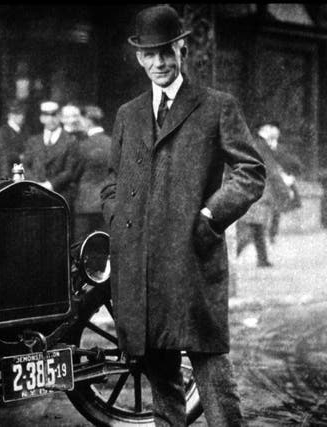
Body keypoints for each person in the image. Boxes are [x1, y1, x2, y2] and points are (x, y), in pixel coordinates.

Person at [100, 5, 266, 426]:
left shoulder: (215, 106)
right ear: (138, 57)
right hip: (140, 265)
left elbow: (250, 172)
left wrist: (211, 215)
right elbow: (111, 181)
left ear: (182, 49)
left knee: (211, 370)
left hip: (192, 259)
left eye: (167, 52)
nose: (159, 63)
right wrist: (118, 220)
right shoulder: (128, 115)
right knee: (161, 378)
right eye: (150, 54)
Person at [236, 134, 289, 267]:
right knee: (251, 229)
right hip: (259, 193)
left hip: (251, 192)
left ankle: (262, 259)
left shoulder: (250, 148)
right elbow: (272, 173)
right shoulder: (263, 150)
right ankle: (232, 256)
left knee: (256, 227)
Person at [23, 100, 81, 215]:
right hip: (35, 198)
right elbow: (25, 165)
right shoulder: (33, 141)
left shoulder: (70, 141)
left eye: (54, 115)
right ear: (41, 118)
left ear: (59, 117)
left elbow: (70, 171)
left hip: (59, 197)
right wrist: (36, 185)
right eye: (46, 115)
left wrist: (49, 185)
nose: (51, 119)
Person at [257, 122, 303, 243]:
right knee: (270, 207)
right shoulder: (262, 146)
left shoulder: (280, 147)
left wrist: (287, 173)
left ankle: (272, 233)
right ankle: (265, 232)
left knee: (276, 208)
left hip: (279, 177)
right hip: (269, 178)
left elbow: (290, 160)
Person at [73, 105, 111, 240]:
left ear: (88, 121)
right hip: (106, 203)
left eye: (81, 120)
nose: (79, 123)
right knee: (103, 244)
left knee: (82, 246)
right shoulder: (112, 142)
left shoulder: (83, 145)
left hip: (85, 204)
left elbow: (74, 173)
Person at [0, 100, 27, 178]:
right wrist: (20, 156)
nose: (23, 116)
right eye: (19, 114)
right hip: (8, 174)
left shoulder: (24, 131)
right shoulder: (2, 133)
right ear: (11, 115)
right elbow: (3, 155)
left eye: (23, 113)